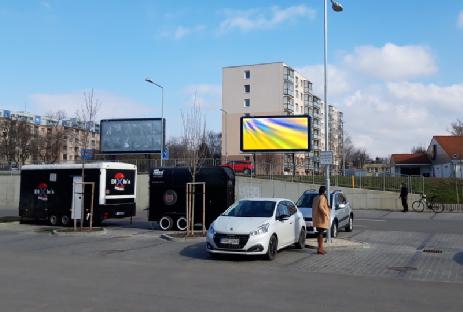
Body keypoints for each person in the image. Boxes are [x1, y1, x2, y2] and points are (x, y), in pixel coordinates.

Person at [312, 186, 330, 255]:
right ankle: (320, 249)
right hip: (321, 218)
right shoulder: (322, 197)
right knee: (321, 233)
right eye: (325, 191)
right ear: (324, 191)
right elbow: (320, 206)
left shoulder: (316, 198)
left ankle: (320, 248)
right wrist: (326, 213)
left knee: (319, 233)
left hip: (316, 218)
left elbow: (314, 208)